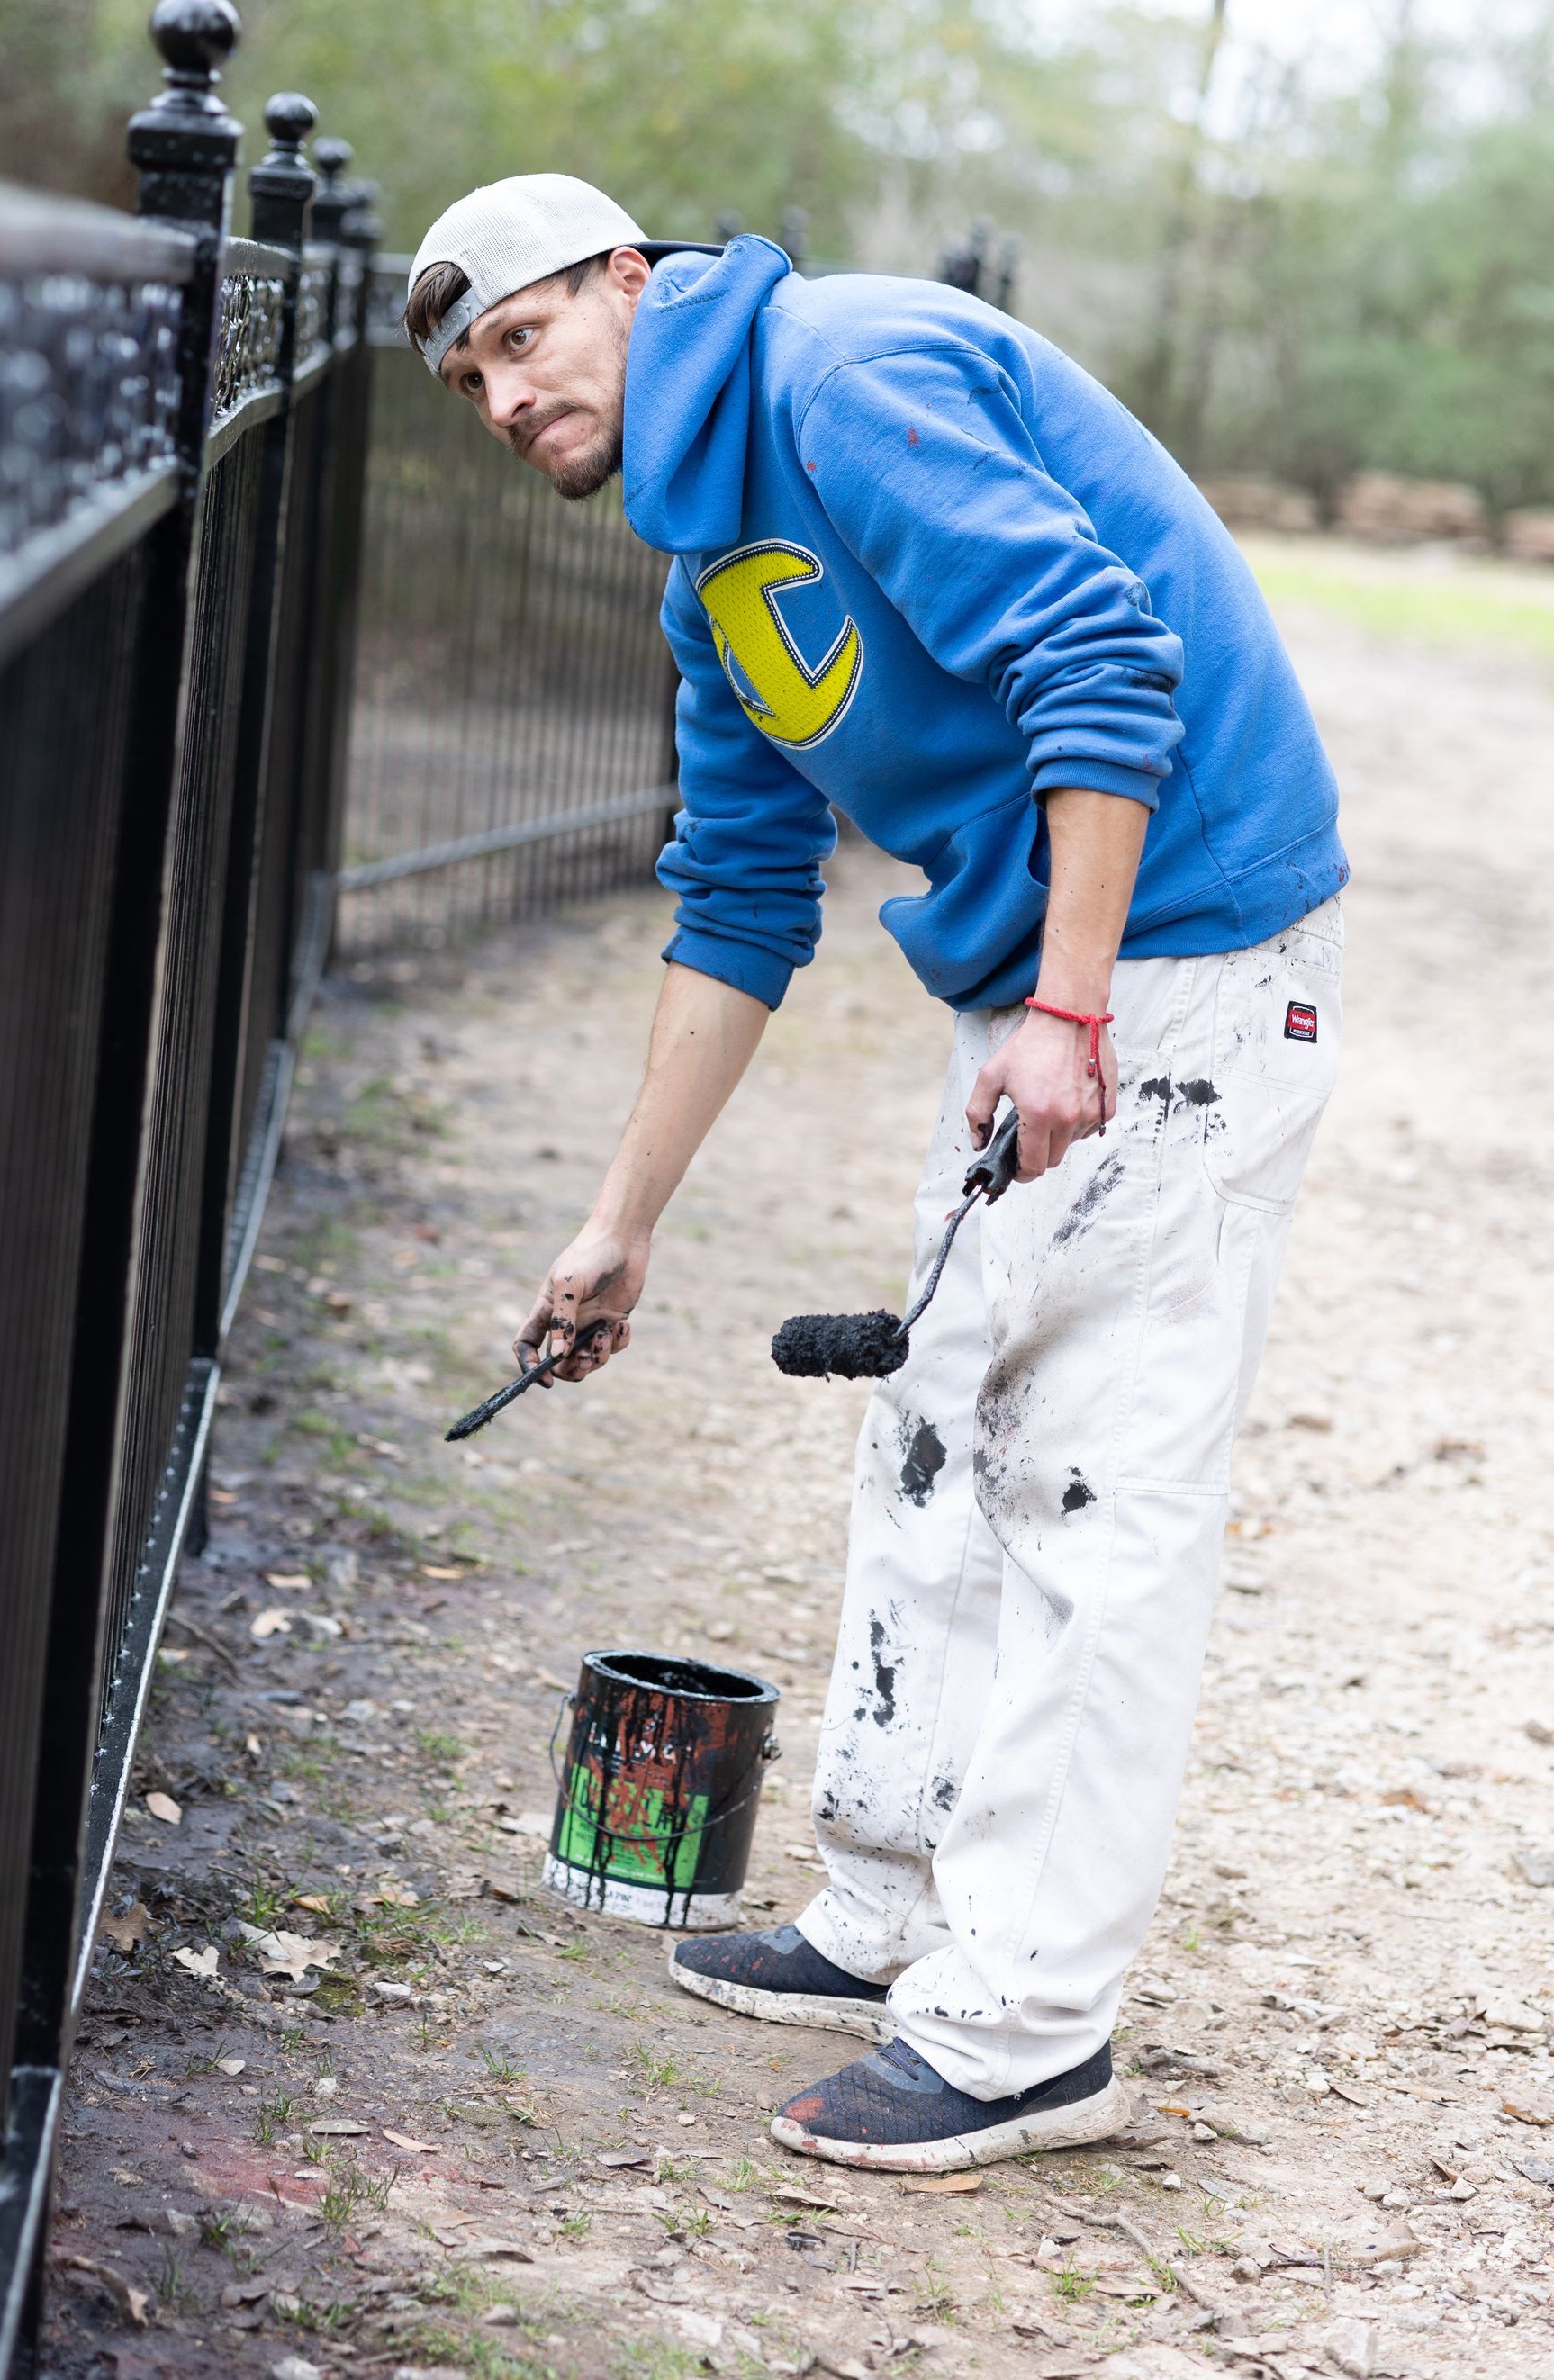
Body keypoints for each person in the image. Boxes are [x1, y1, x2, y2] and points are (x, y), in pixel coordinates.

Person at [402, 174, 1346, 2174]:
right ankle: (894, 1899)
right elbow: (737, 905)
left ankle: (1027, 2031)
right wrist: (618, 1226)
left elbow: (1103, 663)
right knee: (938, 1422)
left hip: (1180, 940)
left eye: (525, 336)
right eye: (472, 373)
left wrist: (1072, 1015)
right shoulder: (705, 558)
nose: (501, 395)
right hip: (1047, 971)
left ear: (633, 285)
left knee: (1091, 1467)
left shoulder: (845, 370)